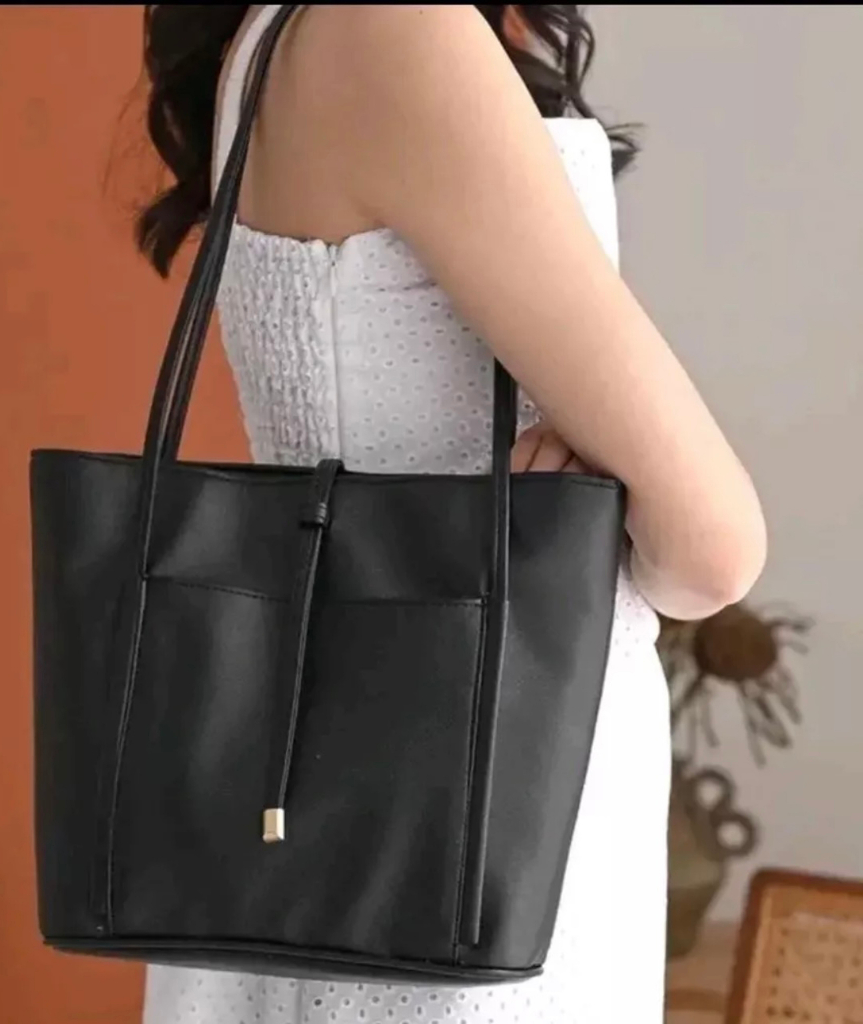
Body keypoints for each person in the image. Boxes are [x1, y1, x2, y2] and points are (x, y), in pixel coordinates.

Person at [135, 6, 767, 1022]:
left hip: (336, 763)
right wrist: (601, 524)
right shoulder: (393, 27)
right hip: (485, 771)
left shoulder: (285, 35)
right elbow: (712, 549)